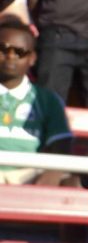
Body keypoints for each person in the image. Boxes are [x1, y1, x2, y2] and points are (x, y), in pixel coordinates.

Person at [0, 20, 71, 184]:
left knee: (69, 180)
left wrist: (47, 182)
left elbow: (61, 147)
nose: (10, 56)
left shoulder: (47, 100)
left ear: (32, 58)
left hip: (28, 174)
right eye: (3, 49)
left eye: (20, 52)